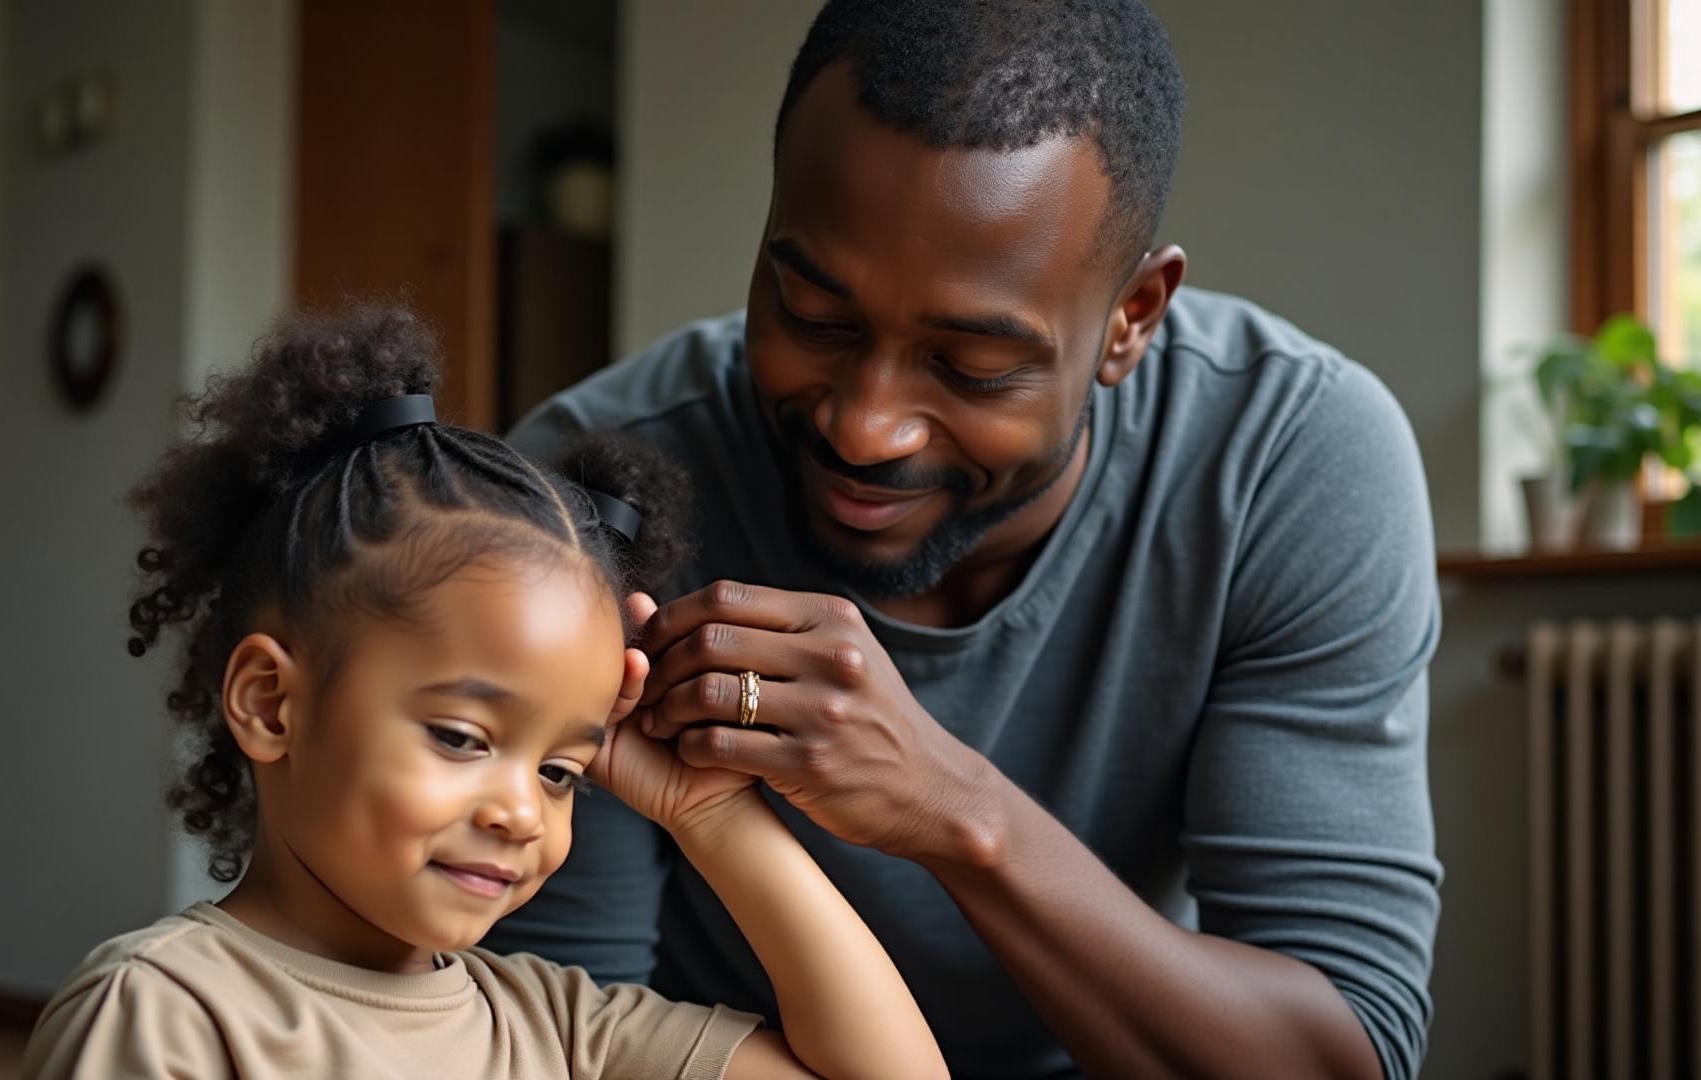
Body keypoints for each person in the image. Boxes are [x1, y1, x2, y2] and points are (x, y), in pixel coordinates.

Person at [488, 2, 1443, 1077]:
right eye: (814, 314)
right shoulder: (595, 487)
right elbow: (563, 1034)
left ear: (1133, 316)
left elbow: (1343, 1057)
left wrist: (951, 808)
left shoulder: (1286, 462)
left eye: (973, 366)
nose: (863, 425)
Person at [20, 305, 947, 1080]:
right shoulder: (167, 1011)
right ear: (271, 704)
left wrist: (707, 814)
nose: (520, 812)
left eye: (559, 771)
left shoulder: (559, 1029)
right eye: (463, 737)